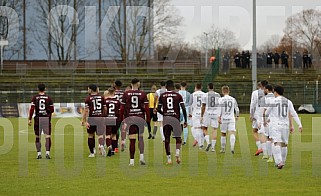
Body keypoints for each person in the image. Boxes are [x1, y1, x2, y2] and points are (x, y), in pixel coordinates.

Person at [264, 85, 302, 169]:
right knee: (284, 145)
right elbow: (293, 113)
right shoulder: (288, 101)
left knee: (276, 143)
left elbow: (266, 113)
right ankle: (283, 162)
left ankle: (279, 161)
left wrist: (266, 120)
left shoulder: (274, 101)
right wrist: (299, 124)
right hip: (285, 125)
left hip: (276, 125)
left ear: (276, 92)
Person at [157, 80, 187, 165]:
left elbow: (158, 109)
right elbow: (183, 108)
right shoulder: (178, 95)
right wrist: (185, 120)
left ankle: (169, 159)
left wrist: (165, 114)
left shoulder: (162, 96)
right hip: (175, 119)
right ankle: (177, 152)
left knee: (167, 139)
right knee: (178, 138)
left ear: (166, 87)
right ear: (173, 87)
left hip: (167, 119)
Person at [121, 78, 150, 166]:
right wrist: (148, 119)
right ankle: (141, 158)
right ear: (138, 83)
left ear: (131, 84)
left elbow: (122, 108)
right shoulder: (143, 94)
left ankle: (132, 161)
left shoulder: (126, 94)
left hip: (130, 118)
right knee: (140, 138)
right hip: (140, 118)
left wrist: (121, 119)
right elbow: (147, 108)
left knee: (132, 140)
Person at [28, 84, 54, 159]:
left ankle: (39, 154)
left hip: (38, 118)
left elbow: (32, 109)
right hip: (46, 118)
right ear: (45, 89)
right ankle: (47, 153)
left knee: (37, 137)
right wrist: (47, 111)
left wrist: (30, 119)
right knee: (47, 136)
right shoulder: (49, 98)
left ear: (38, 89)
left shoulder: (35, 98)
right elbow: (52, 110)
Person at [82, 84, 107, 158]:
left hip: (92, 118)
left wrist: (84, 120)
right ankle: (101, 145)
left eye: (88, 89)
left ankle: (92, 153)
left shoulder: (88, 99)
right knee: (100, 134)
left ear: (90, 89)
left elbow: (86, 110)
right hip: (100, 118)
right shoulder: (102, 97)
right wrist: (104, 116)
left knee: (90, 135)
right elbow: (105, 109)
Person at [218, 86, 239, 154]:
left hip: (223, 118)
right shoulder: (233, 99)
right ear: (228, 91)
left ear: (222, 91)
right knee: (232, 132)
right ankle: (232, 147)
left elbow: (219, 109)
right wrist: (237, 115)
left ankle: (223, 149)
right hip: (231, 118)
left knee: (223, 133)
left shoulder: (220, 99)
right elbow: (237, 109)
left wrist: (219, 117)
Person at [250, 80, 268, 156]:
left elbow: (253, 104)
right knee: (266, 132)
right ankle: (267, 149)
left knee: (255, 131)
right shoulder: (268, 93)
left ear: (258, 86)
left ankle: (261, 148)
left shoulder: (255, 93)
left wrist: (251, 114)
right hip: (267, 113)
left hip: (258, 114)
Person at [201, 83, 221, 152]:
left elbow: (203, 106)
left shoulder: (205, 95)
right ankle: (213, 148)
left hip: (207, 114)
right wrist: (219, 115)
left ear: (208, 87)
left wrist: (201, 116)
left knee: (204, 128)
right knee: (214, 130)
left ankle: (208, 142)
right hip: (215, 114)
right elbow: (220, 106)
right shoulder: (218, 95)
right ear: (213, 87)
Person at [257, 84, 274, 161]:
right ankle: (274, 155)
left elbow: (262, 111)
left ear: (267, 90)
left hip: (266, 120)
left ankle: (266, 154)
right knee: (273, 138)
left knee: (264, 136)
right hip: (275, 120)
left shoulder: (264, 99)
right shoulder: (276, 98)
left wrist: (260, 121)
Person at [104, 87, 123, 156]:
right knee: (114, 135)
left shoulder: (105, 101)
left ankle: (109, 147)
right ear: (114, 92)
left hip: (108, 119)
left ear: (108, 92)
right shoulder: (118, 102)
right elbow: (120, 111)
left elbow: (104, 111)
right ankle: (114, 151)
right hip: (116, 119)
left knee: (107, 135)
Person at [189, 83, 205, 148]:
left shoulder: (192, 94)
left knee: (195, 128)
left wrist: (190, 113)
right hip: (203, 113)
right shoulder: (204, 94)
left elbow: (190, 105)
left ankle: (199, 142)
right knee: (201, 128)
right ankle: (201, 142)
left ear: (195, 87)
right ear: (201, 87)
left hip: (195, 113)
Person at [114, 80, 124, 152]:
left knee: (115, 129)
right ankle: (123, 141)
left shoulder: (112, 93)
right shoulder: (124, 93)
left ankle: (116, 143)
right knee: (122, 128)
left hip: (114, 112)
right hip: (122, 112)